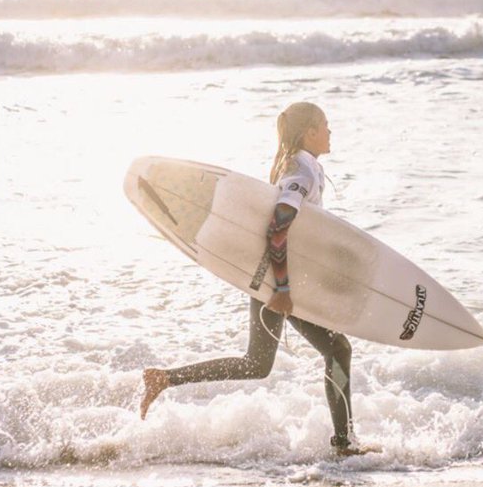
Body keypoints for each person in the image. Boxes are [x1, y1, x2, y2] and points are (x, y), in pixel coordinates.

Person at [139, 102, 363, 454]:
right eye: (325, 125)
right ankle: (344, 444)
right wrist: (284, 289)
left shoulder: (301, 167)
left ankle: (165, 378)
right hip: (278, 281)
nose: (330, 131)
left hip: (267, 278)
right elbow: (277, 227)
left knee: (258, 363)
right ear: (310, 133)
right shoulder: (301, 174)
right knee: (337, 349)